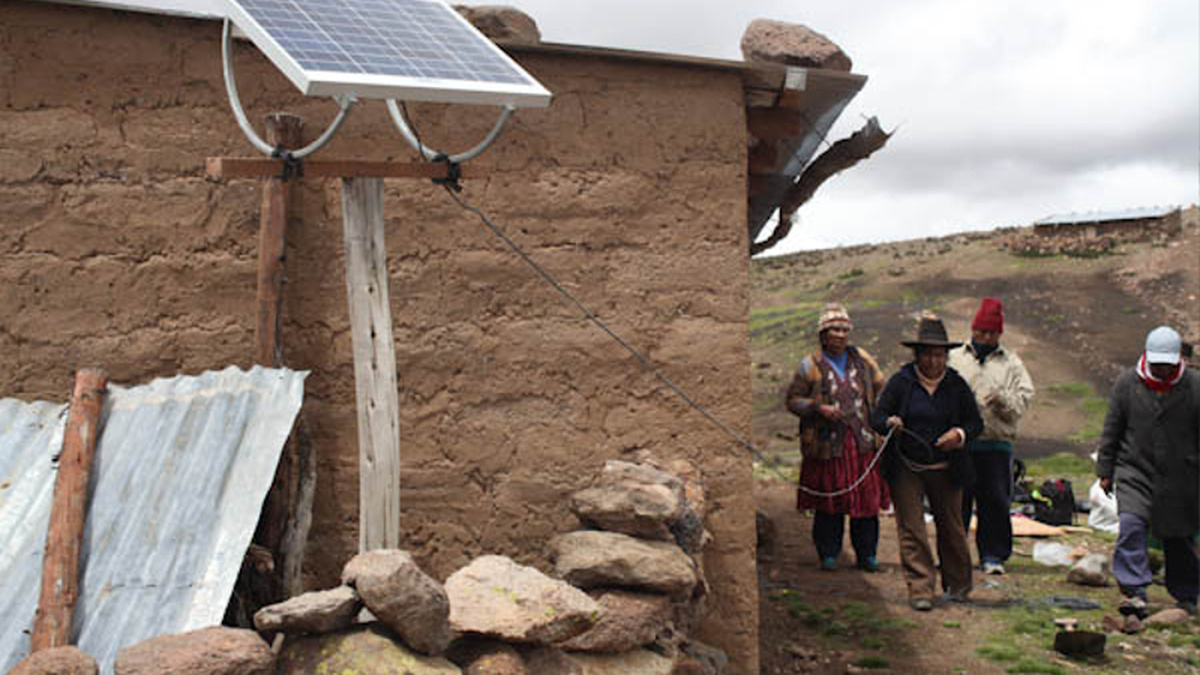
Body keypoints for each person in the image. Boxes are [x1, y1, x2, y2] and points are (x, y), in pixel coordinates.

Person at [871, 312, 983, 611]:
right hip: (907, 466)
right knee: (912, 529)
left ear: (946, 356)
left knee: (952, 527)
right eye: (927, 355)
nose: (933, 361)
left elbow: (975, 423)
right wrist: (890, 422)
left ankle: (958, 585)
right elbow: (877, 416)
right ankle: (920, 588)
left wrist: (959, 435)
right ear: (917, 355)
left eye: (939, 355)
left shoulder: (956, 385)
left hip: (948, 467)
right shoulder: (901, 382)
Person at [1096, 325, 1199, 617]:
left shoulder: (1194, 386)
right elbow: (1112, 428)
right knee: (1131, 524)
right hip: (1134, 469)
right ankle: (1134, 591)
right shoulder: (1127, 384)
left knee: (1179, 536)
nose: (1162, 371)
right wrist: (1106, 469)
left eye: (1168, 365)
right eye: (1157, 364)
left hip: (1181, 474)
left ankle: (1186, 593)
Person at [785, 303, 889, 572]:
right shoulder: (810, 365)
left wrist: (883, 415)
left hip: (862, 443)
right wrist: (817, 408)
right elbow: (793, 400)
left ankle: (867, 555)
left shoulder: (863, 359)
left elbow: (882, 389)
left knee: (866, 503)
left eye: (844, 330)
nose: (841, 335)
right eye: (835, 330)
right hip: (827, 446)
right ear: (823, 334)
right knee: (829, 502)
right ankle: (828, 553)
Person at [949, 298, 1035, 576]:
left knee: (995, 502)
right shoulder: (955, 358)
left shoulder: (1012, 364)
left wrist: (1001, 399)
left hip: (996, 444)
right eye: (981, 331)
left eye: (991, 333)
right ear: (973, 329)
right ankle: (953, 553)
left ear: (999, 334)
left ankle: (993, 555)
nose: (985, 337)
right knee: (957, 502)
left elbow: (1023, 402)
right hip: (961, 443)